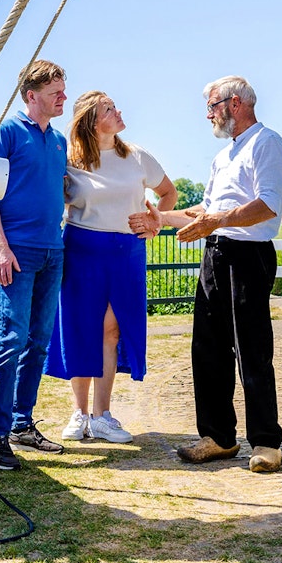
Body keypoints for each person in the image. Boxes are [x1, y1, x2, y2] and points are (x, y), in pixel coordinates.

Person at [130, 75, 282, 474]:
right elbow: (203, 211)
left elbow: (268, 205)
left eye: (212, 107)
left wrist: (215, 221)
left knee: (252, 349)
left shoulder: (267, 143)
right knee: (208, 348)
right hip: (216, 253)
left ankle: (266, 443)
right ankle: (218, 437)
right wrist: (161, 219)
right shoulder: (223, 156)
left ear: (235, 103)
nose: (208, 116)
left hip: (248, 255)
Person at [47, 91, 178, 443]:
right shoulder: (69, 160)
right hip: (81, 249)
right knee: (81, 328)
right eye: (109, 109)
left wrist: (156, 221)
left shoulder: (137, 156)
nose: (119, 112)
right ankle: (79, 413)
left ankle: (103, 416)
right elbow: (48, 198)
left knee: (111, 330)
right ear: (91, 122)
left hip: (126, 252)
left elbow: (169, 193)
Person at [0, 59, 69, 471]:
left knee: (39, 341)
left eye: (63, 91)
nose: (63, 98)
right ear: (32, 96)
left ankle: (21, 424)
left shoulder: (59, 142)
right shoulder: (7, 131)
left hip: (53, 251)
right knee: (10, 339)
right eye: (56, 93)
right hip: (16, 253)